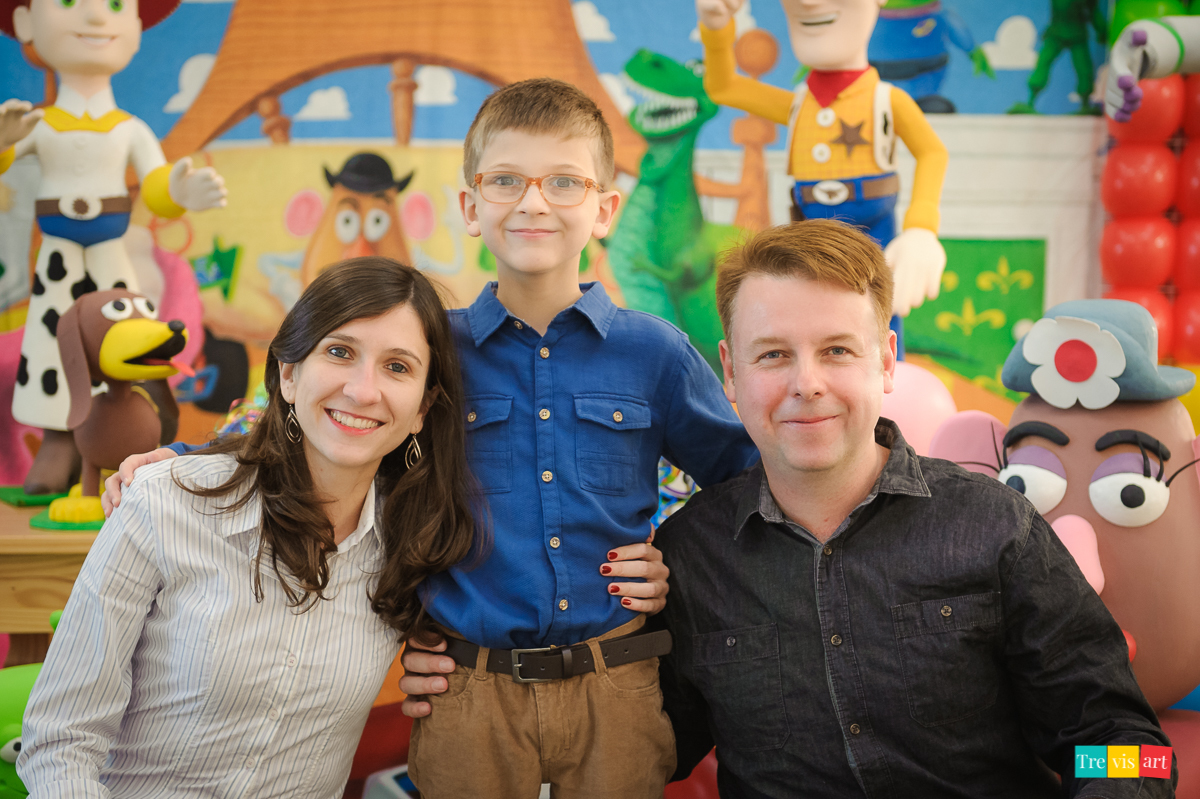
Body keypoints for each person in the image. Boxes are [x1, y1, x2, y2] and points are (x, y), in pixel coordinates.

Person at [106, 79, 756, 798]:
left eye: (564, 182)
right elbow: (301, 428)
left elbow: (744, 477)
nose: (533, 202)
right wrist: (181, 459)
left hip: (617, 683)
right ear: (471, 208)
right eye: (505, 180)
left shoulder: (656, 353)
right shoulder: (428, 348)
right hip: (464, 686)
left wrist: (670, 556)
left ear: (604, 209)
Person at [404, 220, 1177, 798]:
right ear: (732, 376)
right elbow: (642, 733)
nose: (806, 382)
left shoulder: (993, 525)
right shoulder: (690, 557)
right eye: (775, 354)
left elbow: (1120, 741)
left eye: (837, 350)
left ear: (886, 361)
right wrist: (464, 666)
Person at [19, 257, 474, 797]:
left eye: (398, 367)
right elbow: (59, 740)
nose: (363, 390)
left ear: (423, 408)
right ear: (287, 373)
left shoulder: (415, 548)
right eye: (339, 352)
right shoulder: (165, 502)